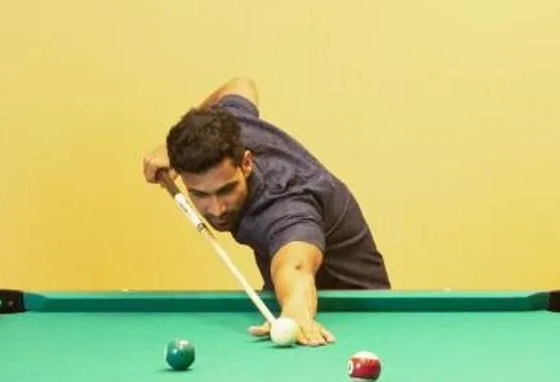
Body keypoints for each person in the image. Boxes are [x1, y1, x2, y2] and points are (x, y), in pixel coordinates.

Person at [142, 77, 388, 346]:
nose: (216, 209)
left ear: (246, 163)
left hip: (356, 315)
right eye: (199, 194)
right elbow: (240, 85)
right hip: (285, 300)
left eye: (226, 190)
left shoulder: (285, 204)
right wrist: (173, 146)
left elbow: (296, 264)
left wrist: (295, 313)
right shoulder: (231, 126)